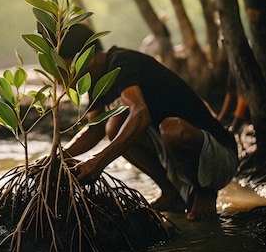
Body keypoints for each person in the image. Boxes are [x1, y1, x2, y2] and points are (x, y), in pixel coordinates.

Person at [57, 24, 239, 221]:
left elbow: (140, 113)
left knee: (171, 128)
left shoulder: (122, 62)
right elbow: (94, 131)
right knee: (114, 126)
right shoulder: (95, 80)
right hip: (175, 157)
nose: (59, 81)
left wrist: (99, 161)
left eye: (63, 70)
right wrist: (57, 157)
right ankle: (172, 195)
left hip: (218, 155)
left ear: (87, 57)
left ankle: (204, 192)